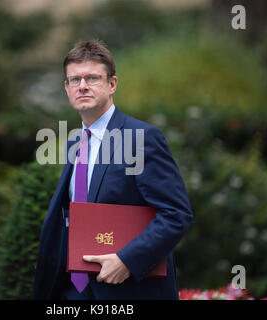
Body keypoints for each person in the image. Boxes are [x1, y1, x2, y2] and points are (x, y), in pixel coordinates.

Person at [32, 39, 193, 300]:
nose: (82, 86)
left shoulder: (141, 138)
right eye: (74, 80)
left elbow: (176, 214)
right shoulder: (75, 140)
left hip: (129, 291)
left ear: (112, 84)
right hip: (73, 290)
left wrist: (128, 261)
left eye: (92, 78)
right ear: (66, 87)